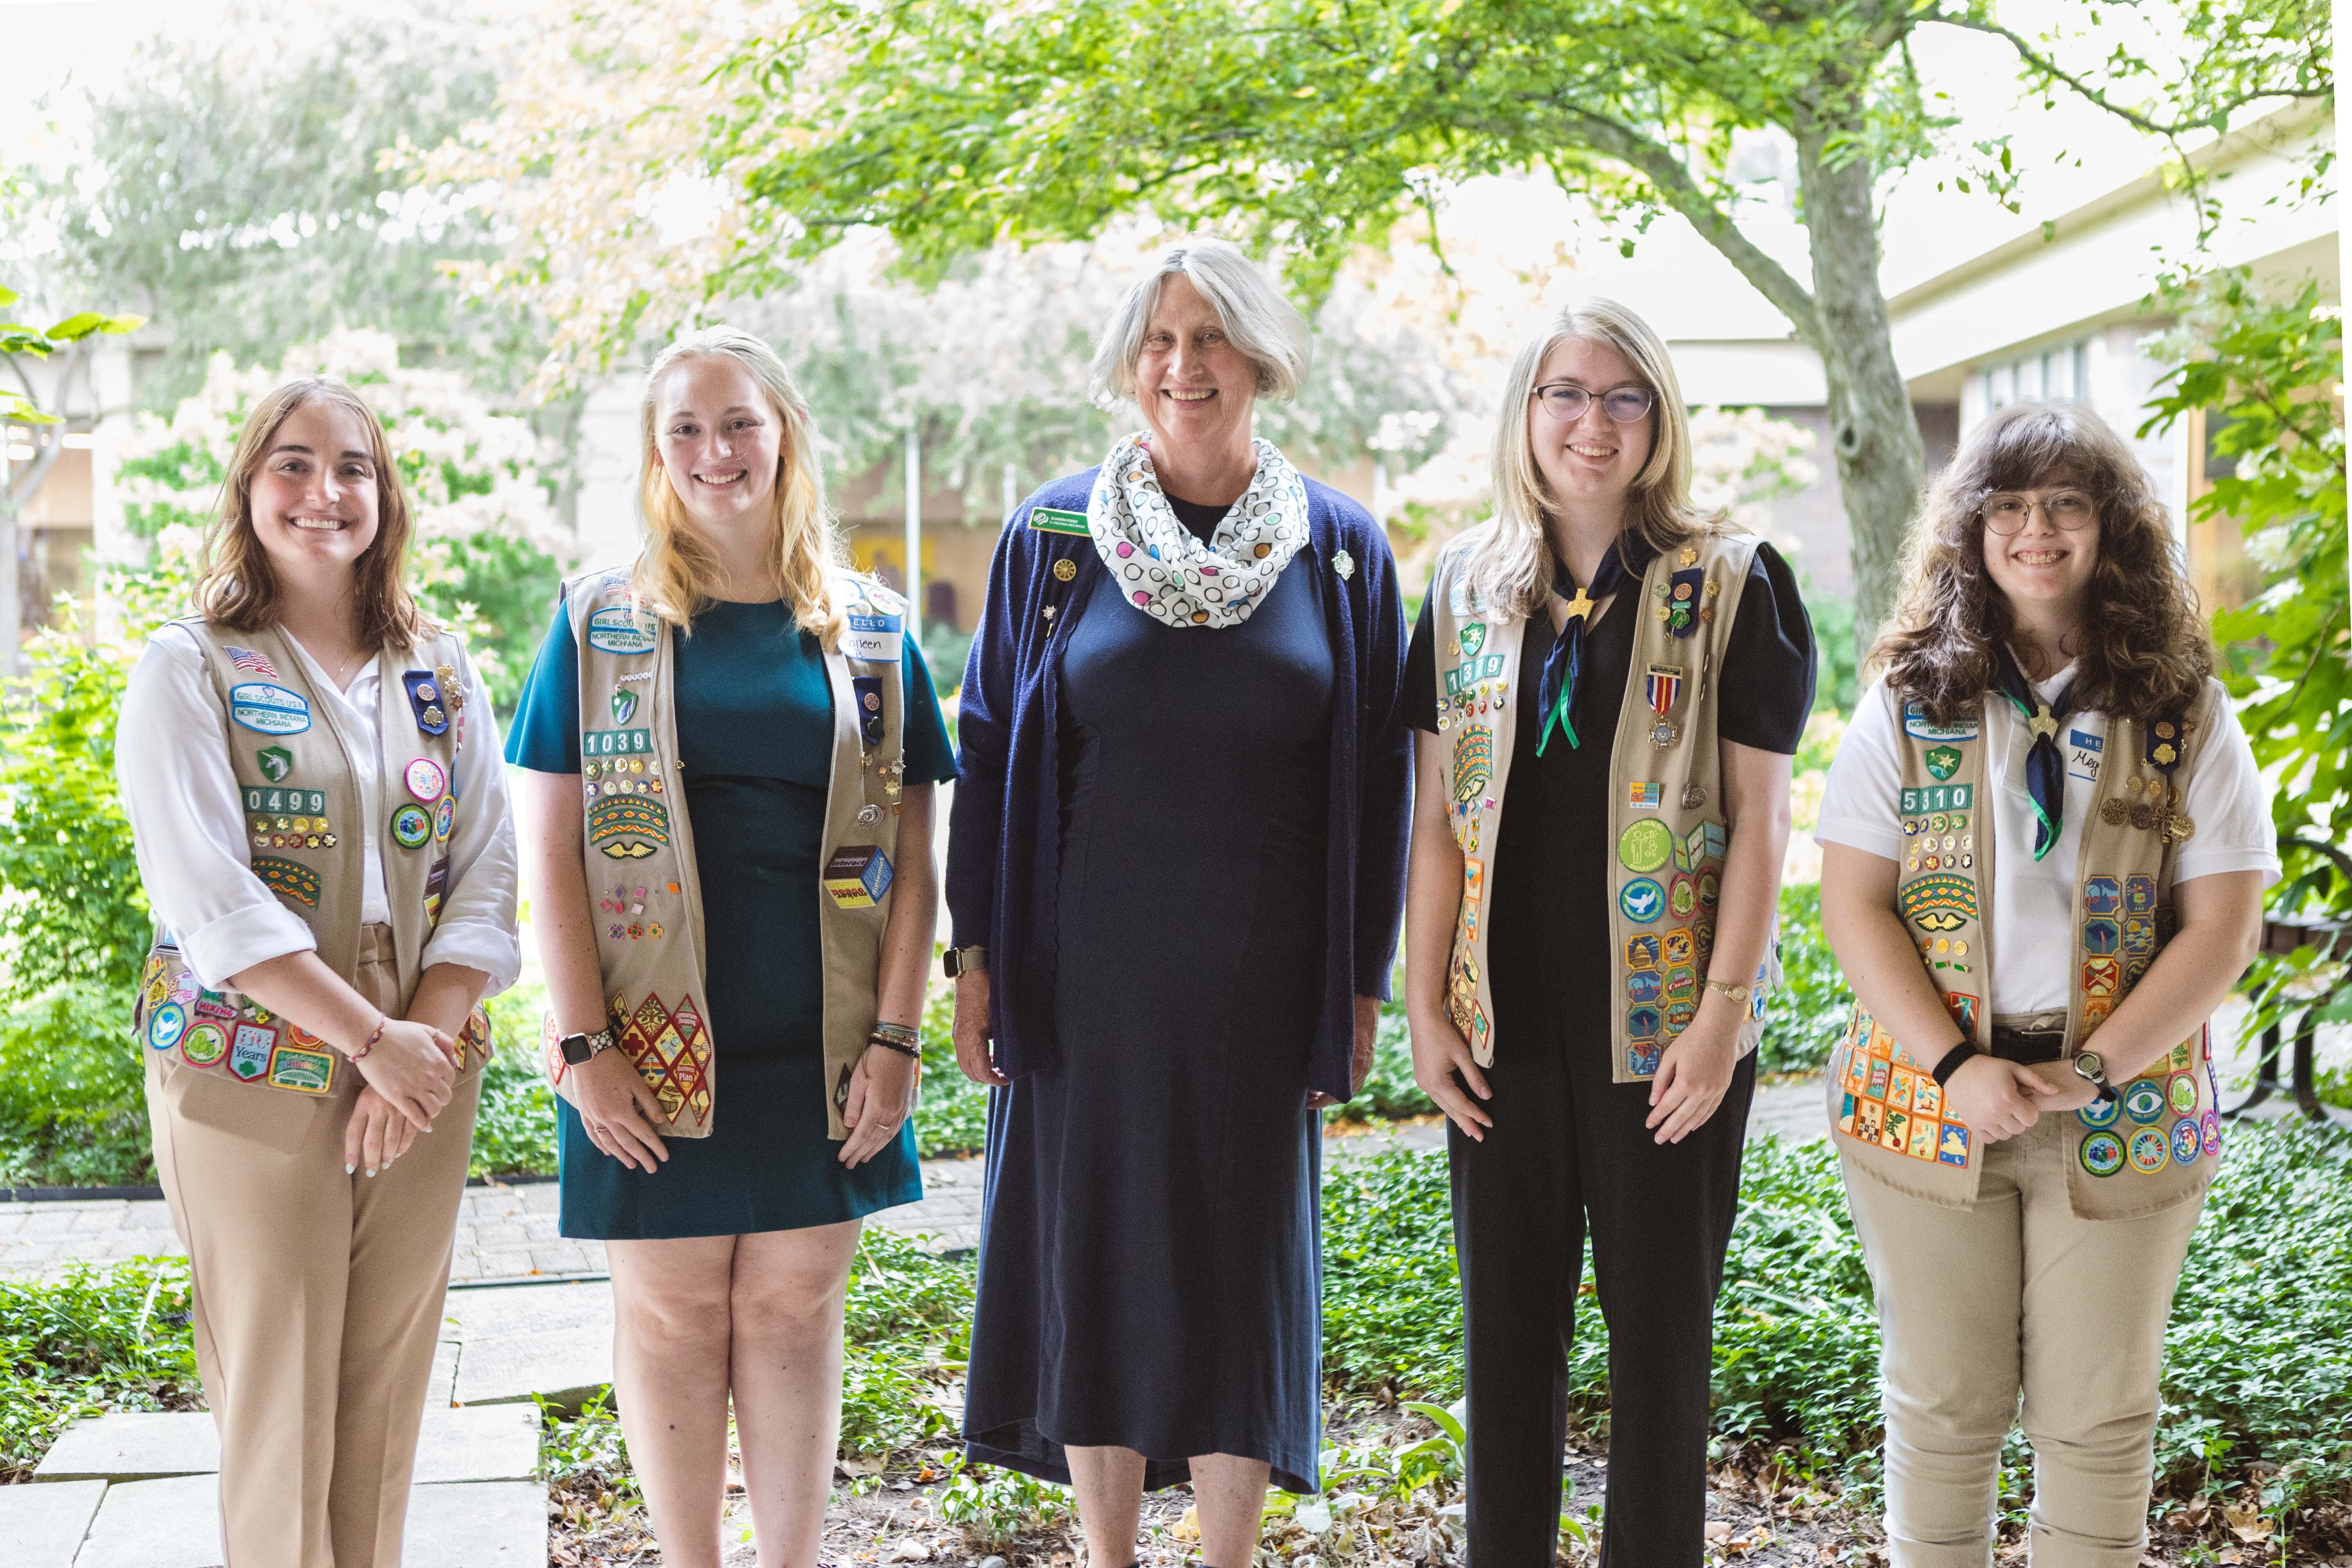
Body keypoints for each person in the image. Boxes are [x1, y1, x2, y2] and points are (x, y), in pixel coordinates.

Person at [947, 237, 1411, 1568]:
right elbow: (986, 748)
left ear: (1258, 356)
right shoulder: (1052, 538)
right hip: (1082, 968)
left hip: (1265, 976)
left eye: (1209, 338)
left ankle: (1225, 1556)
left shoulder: (1337, 548)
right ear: (1127, 363)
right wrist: (974, 962)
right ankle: (1107, 1555)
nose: (1181, 365)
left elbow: (1379, 776)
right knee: (1090, 1254)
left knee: (1240, 1272)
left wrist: (1359, 984)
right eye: (1158, 339)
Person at [507, 325, 956, 1568]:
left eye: (740, 423)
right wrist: (581, 1044)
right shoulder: (598, 623)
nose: (718, 452)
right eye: (687, 431)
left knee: (797, 1304)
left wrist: (899, 1041)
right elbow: (546, 848)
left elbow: (918, 862)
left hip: (826, 1037)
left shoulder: (870, 633)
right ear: (658, 458)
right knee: (668, 1312)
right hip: (647, 1038)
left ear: (786, 436)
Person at [1813, 400, 2275, 1566]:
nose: (2035, 530)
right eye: (2007, 506)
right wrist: (1960, 1066)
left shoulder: (2181, 711)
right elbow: (1851, 904)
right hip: (1926, 1100)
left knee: (2097, 1415)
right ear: (1968, 530)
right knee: (1943, 1403)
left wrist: (2092, 1069)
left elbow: (2221, 930)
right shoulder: (1908, 703)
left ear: (2110, 526)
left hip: (2117, 1104)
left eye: (2066, 502)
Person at [1401, 298, 1815, 1564]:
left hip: (1670, 1033)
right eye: (1565, 394)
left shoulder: (1731, 582)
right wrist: (1423, 1010)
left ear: (1659, 418)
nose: (1594, 422)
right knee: (1506, 1348)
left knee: (1659, 1352)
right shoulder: (1466, 588)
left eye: (1623, 395)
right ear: (1525, 414)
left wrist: (1723, 1017)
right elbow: (1434, 820)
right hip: (1501, 1025)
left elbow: (1760, 818)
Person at [118, 376, 519, 1568]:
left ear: (385, 497)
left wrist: (421, 1052)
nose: (323, 492)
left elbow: (486, 874)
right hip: (251, 1062)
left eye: (353, 467)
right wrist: (374, 1046)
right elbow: (213, 902)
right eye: (292, 464)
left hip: (422, 1058)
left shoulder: (437, 668)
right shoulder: (189, 664)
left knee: (385, 1395)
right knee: (279, 1391)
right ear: (249, 488)